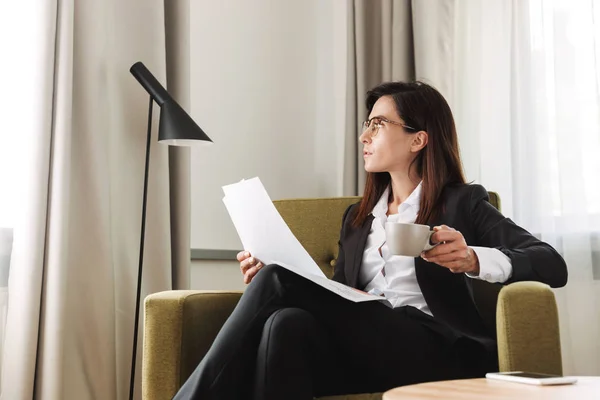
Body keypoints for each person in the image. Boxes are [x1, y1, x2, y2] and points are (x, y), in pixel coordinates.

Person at [173, 81, 568, 400]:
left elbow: (551, 262)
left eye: (378, 125)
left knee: (276, 283)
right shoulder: (357, 219)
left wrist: (473, 259)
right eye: (366, 124)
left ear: (418, 140)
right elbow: (344, 299)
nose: (364, 135)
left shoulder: (462, 202)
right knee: (285, 322)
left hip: (435, 348)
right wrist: (273, 274)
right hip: (365, 349)